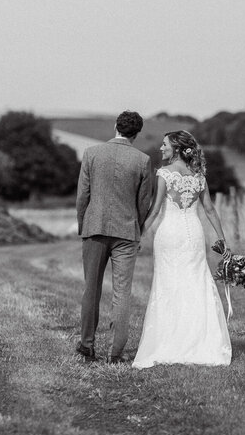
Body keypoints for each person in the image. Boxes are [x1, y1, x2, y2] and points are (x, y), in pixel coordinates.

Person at [132, 130, 232, 368]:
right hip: (194, 234)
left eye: (164, 144)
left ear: (176, 148)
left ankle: (171, 340)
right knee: (196, 281)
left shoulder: (164, 174)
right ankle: (200, 341)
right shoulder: (198, 175)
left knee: (169, 283)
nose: (160, 148)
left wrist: (139, 236)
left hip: (169, 233)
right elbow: (209, 209)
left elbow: (155, 211)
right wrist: (222, 240)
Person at [75, 111, 153, 364]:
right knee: (122, 293)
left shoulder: (91, 153)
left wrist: (82, 225)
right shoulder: (143, 160)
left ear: (115, 126)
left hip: (94, 229)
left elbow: (82, 197)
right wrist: (137, 229)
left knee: (91, 289)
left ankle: (87, 345)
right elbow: (144, 203)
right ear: (137, 133)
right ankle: (116, 352)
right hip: (126, 232)